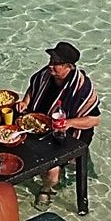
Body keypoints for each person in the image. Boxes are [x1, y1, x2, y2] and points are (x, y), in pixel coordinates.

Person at [15, 40, 100, 209]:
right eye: (50, 62)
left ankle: (46, 189)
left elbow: (94, 119)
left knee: (52, 172)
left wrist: (68, 123)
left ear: (68, 66)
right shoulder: (46, 75)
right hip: (40, 124)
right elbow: (33, 88)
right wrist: (25, 102)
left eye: (56, 64)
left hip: (67, 134)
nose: (50, 67)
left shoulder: (82, 88)